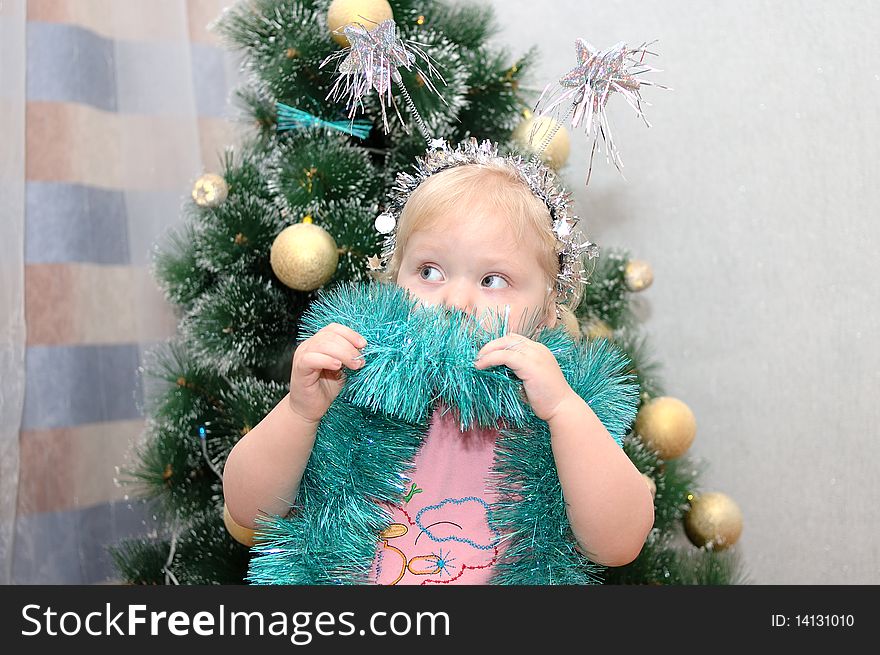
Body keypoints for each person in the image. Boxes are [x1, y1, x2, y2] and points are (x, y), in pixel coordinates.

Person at [223, 142, 654, 584]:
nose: (454, 300)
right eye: (430, 271)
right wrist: (299, 412)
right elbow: (249, 508)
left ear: (548, 310)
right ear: (395, 279)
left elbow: (618, 543)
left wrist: (564, 411)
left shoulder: (555, 411)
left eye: (492, 280)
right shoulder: (351, 383)